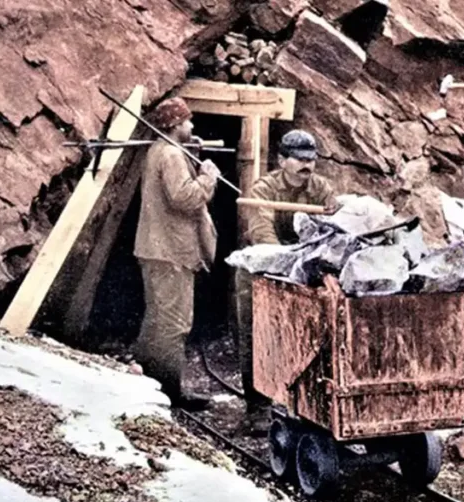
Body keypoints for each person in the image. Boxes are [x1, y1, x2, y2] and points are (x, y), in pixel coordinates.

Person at [232, 129, 338, 434]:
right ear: (282, 160)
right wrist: (284, 259)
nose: (307, 166)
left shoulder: (320, 188)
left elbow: (333, 228)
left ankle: (307, 406)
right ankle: (257, 408)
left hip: (301, 273)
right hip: (261, 270)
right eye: (300, 160)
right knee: (256, 337)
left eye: (311, 159)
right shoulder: (264, 189)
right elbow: (261, 230)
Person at [133, 96, 220, 411]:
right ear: (175, 125)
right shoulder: (170, 153)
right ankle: (169, 393)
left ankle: (145, 382)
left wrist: (192, 159)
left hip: (154, 247)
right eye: (187, 121)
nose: (192, 125)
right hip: (170, 250)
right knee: (174, 324)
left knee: (156, 319)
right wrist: (207, 177)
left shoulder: (160, 150)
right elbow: (183, 197)